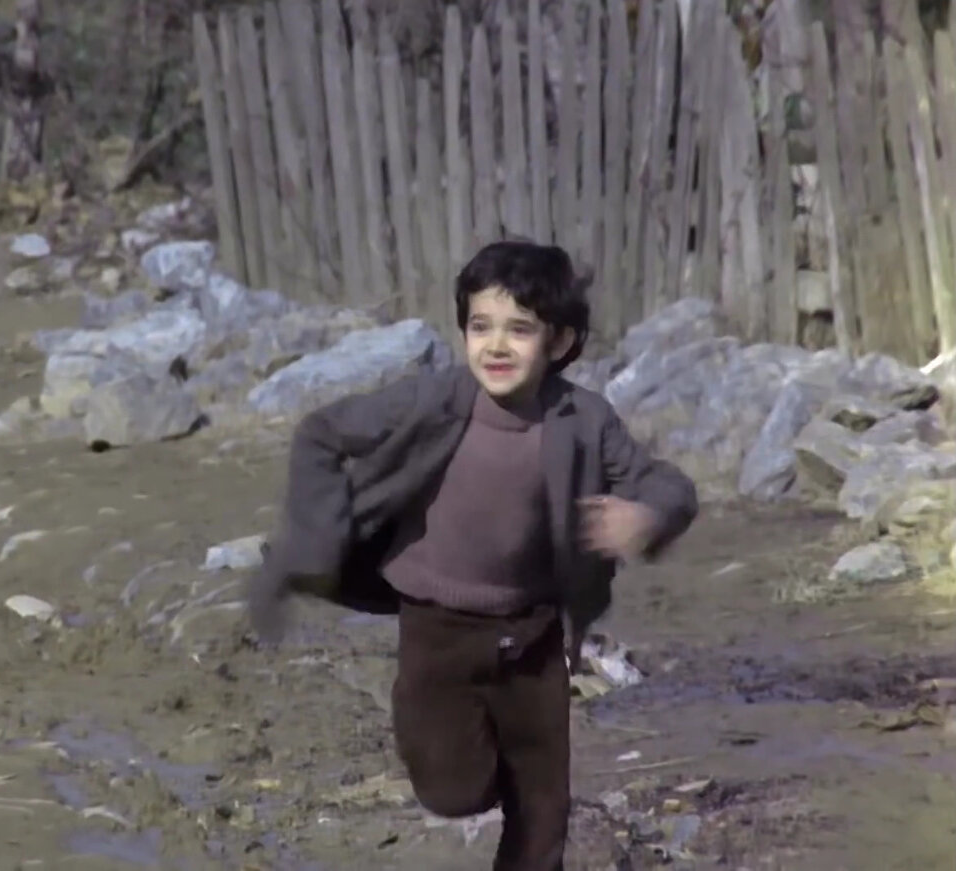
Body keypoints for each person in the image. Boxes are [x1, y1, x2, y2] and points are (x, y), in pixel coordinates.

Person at [249, 240, 698, 870]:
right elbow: (321, 433)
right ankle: (462, 761)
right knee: (455, 791)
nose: (496, 346)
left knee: (544, 810)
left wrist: (645, 516)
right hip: (439, 633)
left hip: (537, 634)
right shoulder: (432, 402)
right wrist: (319, 535)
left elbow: (668, 485)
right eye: (480, 326)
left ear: (561, 342)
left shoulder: (584, 420)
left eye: (520, 330)